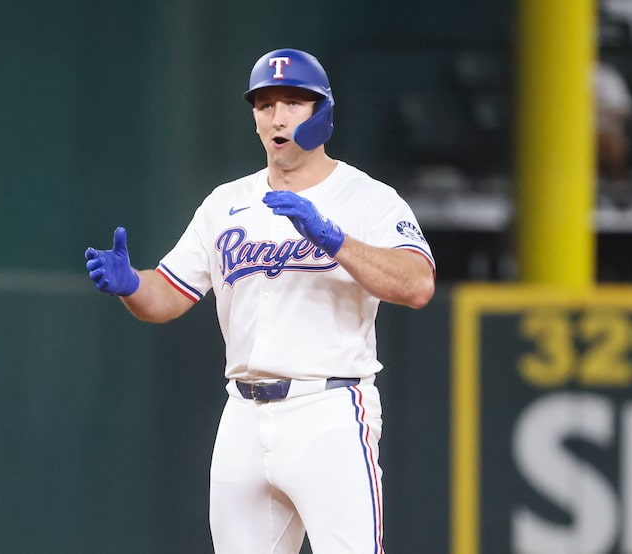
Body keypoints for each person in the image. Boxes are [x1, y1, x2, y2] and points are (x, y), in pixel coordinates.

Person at [84, 48, 436, 553]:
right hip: (243, 418)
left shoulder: (367, 198)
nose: (278, 116)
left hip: (329, 409)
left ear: (323, 113)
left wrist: (334, 239)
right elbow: (167, 295)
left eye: (294, 102)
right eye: (265, 104)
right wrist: (133, 286)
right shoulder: (226, 203)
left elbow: (418, 283)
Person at [595, 60, 632, 207]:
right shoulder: (565, 72)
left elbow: (624, 108)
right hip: (575, 132)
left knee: (612, 141)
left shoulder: (607, 75)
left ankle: (619, 190)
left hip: (607, 129)